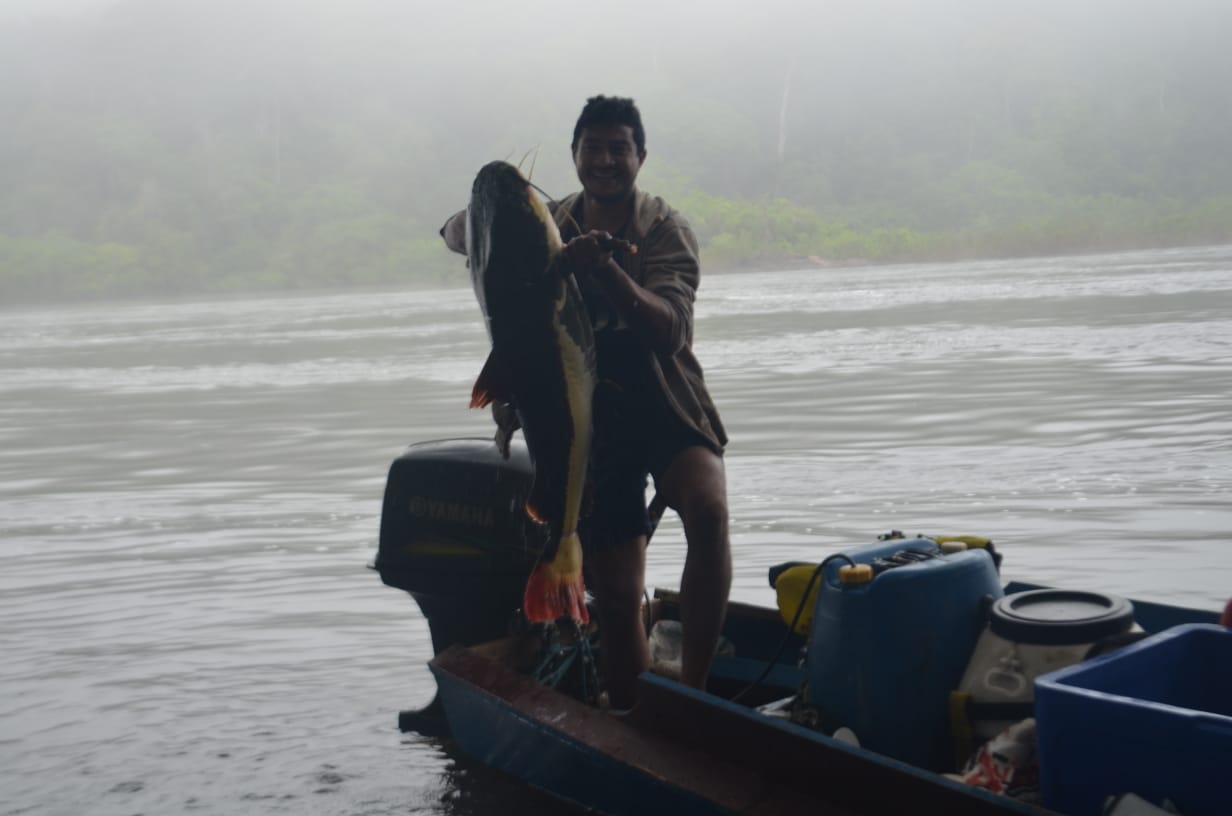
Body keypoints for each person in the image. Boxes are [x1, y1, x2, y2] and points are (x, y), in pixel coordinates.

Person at [441, 95, 730, 710]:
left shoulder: (664, 228)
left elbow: (671, 331)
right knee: (619, 594)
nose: (605, 160)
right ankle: (630, 715)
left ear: (640, 156)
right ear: (574, 154)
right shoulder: (546, 219)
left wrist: (605, 271)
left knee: (707, 510)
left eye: (618, 148)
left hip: (663, 399)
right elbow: (453, 233)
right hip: (585, 419)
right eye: (592, 147)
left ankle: (697, 697)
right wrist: (472, 223)